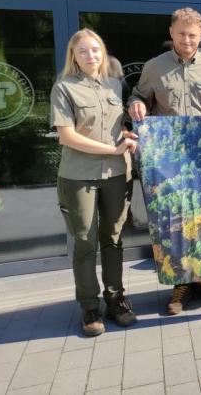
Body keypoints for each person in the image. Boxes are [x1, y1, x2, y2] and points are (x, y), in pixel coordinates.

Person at [128, 7, 201, 314]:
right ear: (171, 33)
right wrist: (136, 105)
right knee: (174, 222)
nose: (187, 40)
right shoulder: (154, 67)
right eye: (181, 34)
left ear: (200, 35)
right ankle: (180, 287)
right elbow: (137, 96)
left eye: (193, 35)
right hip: (169, 160)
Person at [50, 29, 138, 336]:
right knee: (85, 243)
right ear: (73, 56)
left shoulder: (116, 85)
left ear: (103, 53)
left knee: (113, 238)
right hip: (78, 177)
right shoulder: (64, 88)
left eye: (96, 50)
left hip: (117, 174)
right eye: (84, 51)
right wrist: (111, 149)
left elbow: (120, 126)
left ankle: (116, 298)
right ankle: (89, 306)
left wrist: (127, 137)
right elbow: (67, 136)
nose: (91, 56)